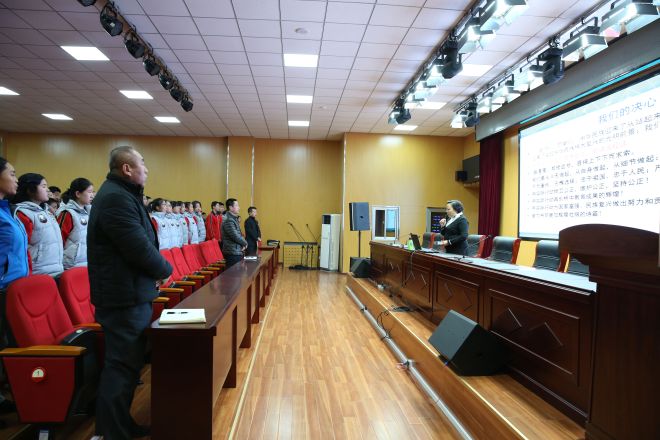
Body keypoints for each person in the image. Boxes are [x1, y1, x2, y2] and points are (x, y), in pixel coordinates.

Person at [87, 146, 172, 440]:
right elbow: (137, 247)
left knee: (128, 366)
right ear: (126, 168)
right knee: (121, 367)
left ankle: (121, 425)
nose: (146, 170)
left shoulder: (122, 195)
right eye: (142, 164)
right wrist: (165, 269)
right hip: (122, 298)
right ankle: (111, 432)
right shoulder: (115, 198)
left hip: (130, 294)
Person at [0, 157, 27, 425]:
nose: (16, 179)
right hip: (2, 286)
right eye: (11, 173)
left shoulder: (7, 210)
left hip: (13, 288)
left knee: (6, 343)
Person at [13, 173, 64, 277]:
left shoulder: (47, 212)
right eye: (43, 186)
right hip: (38, 273)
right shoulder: (23, 213)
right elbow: (21, 248)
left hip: (56, 269)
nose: (47, 190)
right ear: (30, 190)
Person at [58, 178, 94, 270]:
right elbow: (59, 240)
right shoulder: (67, 213)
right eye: (89, 192)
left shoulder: (87, 212)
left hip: (85, 261)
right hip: (70, 265)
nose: (92, 195)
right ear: (78, 194)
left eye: (92, 192)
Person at [221, 198, 247, 269]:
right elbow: (235, 236)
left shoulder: (233, 219)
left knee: (239, 274)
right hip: (232, 252)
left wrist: (243, 243)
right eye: (237, 205)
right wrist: (245, 243)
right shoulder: (228, 220)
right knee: (234, 275)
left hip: (236, 251)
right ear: (230, 207)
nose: (239, 208)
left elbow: (239, 234)